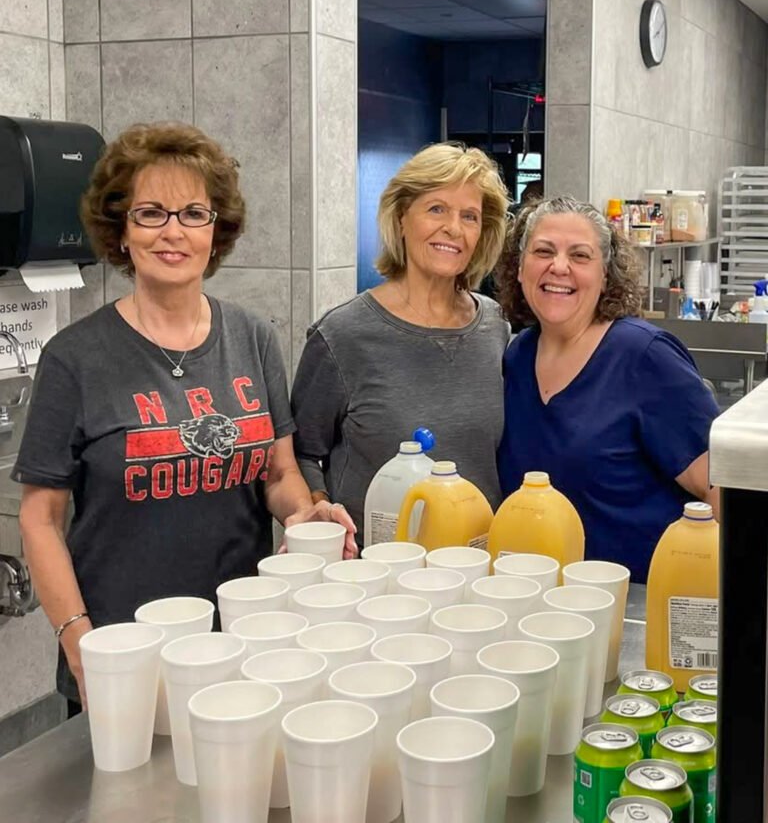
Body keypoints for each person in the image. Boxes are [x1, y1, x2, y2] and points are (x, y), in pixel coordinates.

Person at [14, 121, 355, 710]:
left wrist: (306, 514)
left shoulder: (251, 337)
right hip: (122, 652)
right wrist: (78, 640)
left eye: (193, 213)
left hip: (241, 642)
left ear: (215, 231)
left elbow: (277, 475)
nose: (173, 232)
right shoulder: (74, 359)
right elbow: (40, 519)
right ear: (121, 231)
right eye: (150, 212)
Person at [291, 143, 511, 541]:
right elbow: (302, 452)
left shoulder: (495, 327)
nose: (454, 228)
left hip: (476, 573)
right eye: (436, 209)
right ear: (401, 218)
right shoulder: (342, 335)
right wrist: (316, 505)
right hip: (375, 577)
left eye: (470, 216)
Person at [495, 195, 719, 582]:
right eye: (543, 251)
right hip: (539, 597)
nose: (558, 267)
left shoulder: (644, 357)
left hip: (639, 604)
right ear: (519, 268)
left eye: (580, 256)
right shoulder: (517, 356)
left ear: (605, 275)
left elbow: (720, 488)